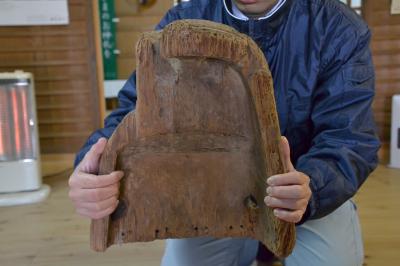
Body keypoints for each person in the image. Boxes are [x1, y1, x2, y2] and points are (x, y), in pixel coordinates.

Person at [68, 0, 380, 265]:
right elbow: (134, 107)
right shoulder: (184, 21)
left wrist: (312, 188)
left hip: (306, 191)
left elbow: (349, 139)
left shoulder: (338, 28)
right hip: (211, 190)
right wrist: (94, 167)